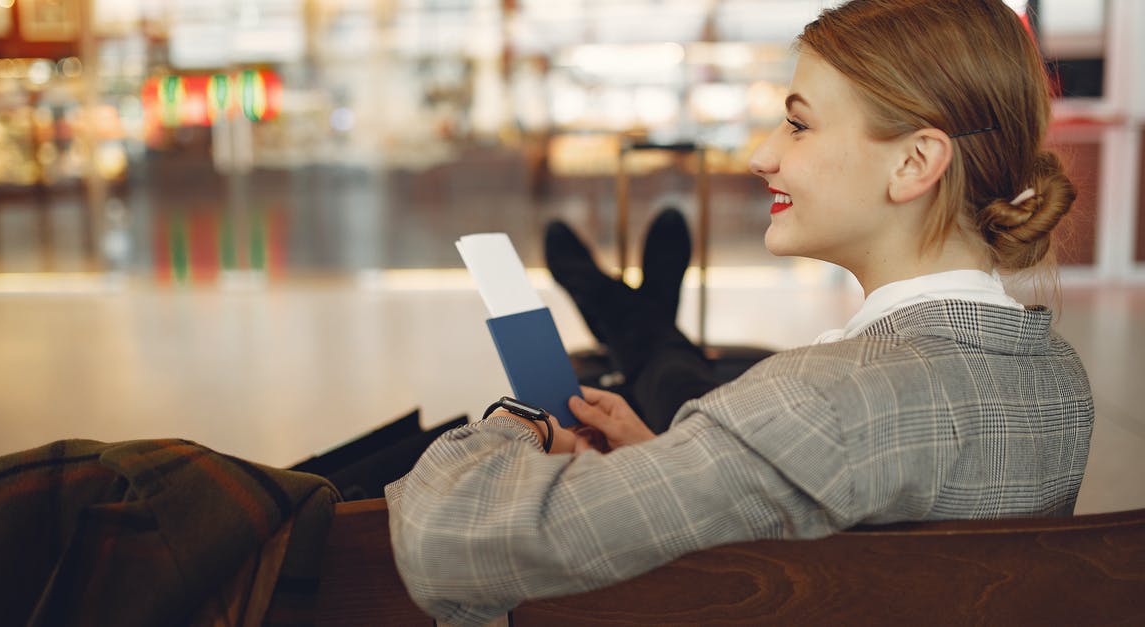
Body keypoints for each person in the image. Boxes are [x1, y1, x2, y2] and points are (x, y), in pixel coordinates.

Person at [386, 1, 1094, 624]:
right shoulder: (1061, 381)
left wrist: (515, 427)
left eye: (797, 125)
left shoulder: (822, 399)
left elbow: (445, 546)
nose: (761, 156)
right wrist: (670, 468)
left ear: (914, 163)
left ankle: (622, 309)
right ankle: (633, 313)